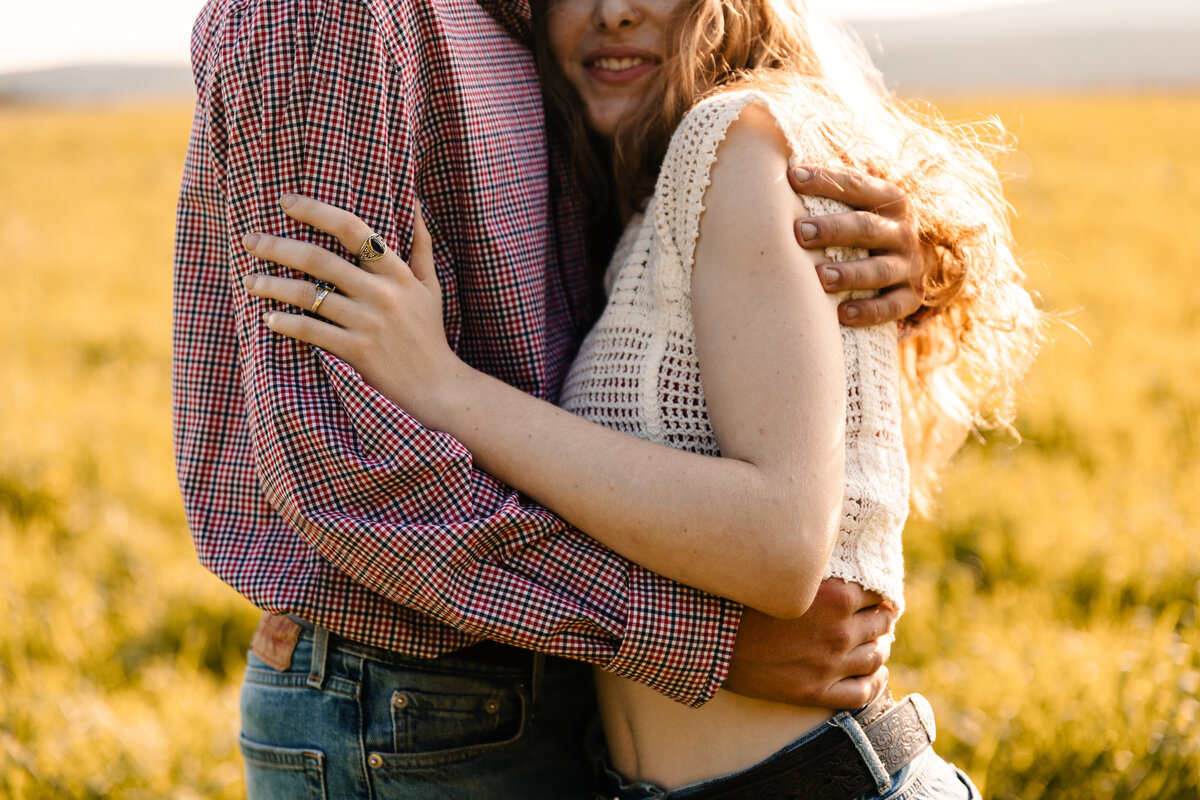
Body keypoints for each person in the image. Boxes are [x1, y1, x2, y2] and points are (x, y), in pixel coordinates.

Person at [239, 0, 1041, 797]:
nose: (612, 12)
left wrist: (447, 387)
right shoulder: (644, 187)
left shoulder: (730, 138)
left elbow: (782, 540)